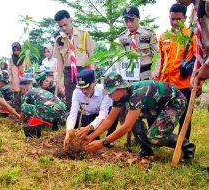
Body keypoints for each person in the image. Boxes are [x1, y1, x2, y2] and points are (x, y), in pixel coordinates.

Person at [84, 72, 196, 162]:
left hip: (175, 102)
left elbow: (127, 127)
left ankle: (187, 145)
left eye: (111, 92)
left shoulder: (137, 94)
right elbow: (109, 119)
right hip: (157, 105)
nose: (109, 95)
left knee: (155, 137)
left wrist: (103, 142)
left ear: (120, 88)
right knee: (132, 118)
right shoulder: (119, 97)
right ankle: (147, 150)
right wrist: (90, 137)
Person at [156, 3, 197, 140]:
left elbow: (198, 61)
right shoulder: (163, 37)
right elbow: (161, 62)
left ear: (185, 18)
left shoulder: (191, 36)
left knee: (184, 118)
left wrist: (199, 84)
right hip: (166, 84)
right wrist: (158, 82)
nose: (174, 22)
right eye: (172, 19)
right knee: (163, 115)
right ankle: (161, 141)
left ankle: (183, 148)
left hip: (184, 84)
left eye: (178, 19)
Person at [63, 69, 118, 150]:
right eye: (82, 88)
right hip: (90, 116)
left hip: (104, 116)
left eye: (87, 87)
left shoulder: (104, 91)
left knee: (113, 113)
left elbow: (103, 115)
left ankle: (109, 138)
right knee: (70, 116)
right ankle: (93, 136)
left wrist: (89, 128)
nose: (84, 91)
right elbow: (73, 114)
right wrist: (68, 133)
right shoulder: (77, 92)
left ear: (94, 83)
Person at [53, 10, 95, 111]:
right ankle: (71, 119)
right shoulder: (59, 40)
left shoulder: (84, 34)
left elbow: (91, 55)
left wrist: (92, 74)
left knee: (86, 95)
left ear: (71, 20)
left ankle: (88, 117)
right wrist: (58, 80)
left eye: (65, 25)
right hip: (68, 72)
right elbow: (59, 61)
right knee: (70, 97)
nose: (63, 28)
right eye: (60, 26)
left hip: (83, 70)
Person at [119, 6, 159, 81]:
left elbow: (158, 54)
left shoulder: (149, 33)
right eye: (126, 21)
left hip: (148, 76)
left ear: (138, 18)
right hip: (131, 78)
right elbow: (121, 59)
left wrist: (155, 72)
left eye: (131, 20)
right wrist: (123, 75)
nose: (129, 24)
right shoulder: (122, 38)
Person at [8, 42, 26, 112]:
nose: (16, 52)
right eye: (14, 50)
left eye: (17, 50)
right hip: (15, 81)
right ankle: (18, 113)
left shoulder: (25, 58)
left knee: (25, 97)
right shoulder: (11, 60)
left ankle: (25, 112)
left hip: (24, 81)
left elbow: (29, 69)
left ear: (20, 49)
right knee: (17, 98)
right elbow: (9, 72)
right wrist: (10, 82)